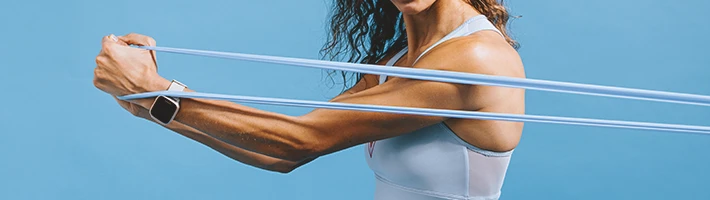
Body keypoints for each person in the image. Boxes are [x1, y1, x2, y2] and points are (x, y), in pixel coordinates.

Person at [93, 0, 524, 199]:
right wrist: (151, 104)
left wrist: (157, 90)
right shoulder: (398, 60)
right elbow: (281, 156)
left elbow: (301, 139)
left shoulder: (475, 57)